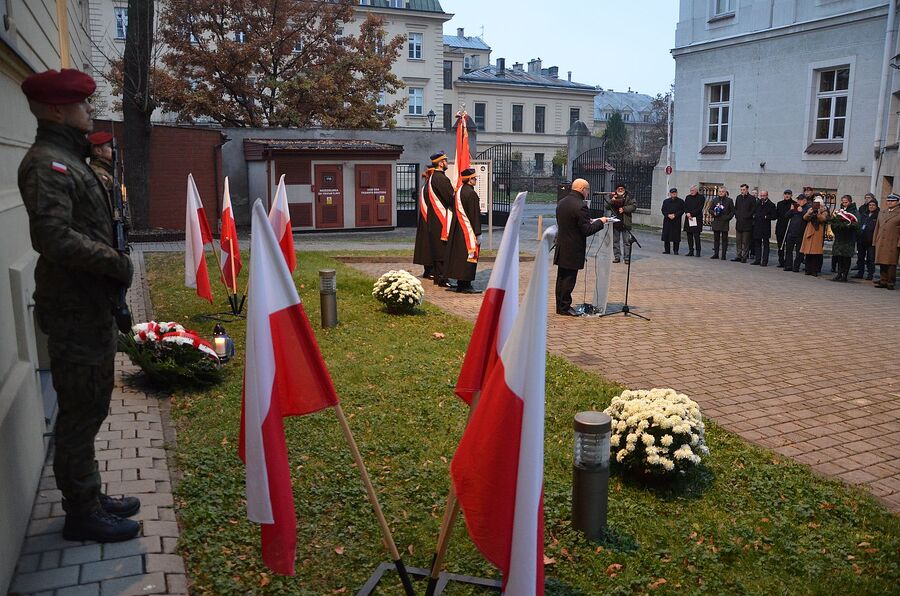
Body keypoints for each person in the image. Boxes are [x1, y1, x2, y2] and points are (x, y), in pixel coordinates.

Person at [17, 69, 140, 542]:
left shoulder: (70, 158)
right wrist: (115, 263)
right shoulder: (48, 164)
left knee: (91, 407)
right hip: (74, 311)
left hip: (88, 305)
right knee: (79, 413)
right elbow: (52, 237)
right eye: (82, 104)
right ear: (55, 110)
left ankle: (90, 494)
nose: (90, 110)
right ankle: (82, 513)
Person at [555, 178, 607, 316]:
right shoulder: (581, 205)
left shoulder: (562, 202)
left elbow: (570, 222)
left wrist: (586, 221)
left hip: (562, 245)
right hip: (573, 248)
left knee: (561, 278)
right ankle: (565, 307)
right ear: (582, 189)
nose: (588, 193)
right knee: (569, 279)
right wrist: (601, 222)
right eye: (587, 190)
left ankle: (560, 306)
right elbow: (587, 230)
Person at [444, 168, 482, 294]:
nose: (476, 180)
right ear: (470, 180)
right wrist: (478, 233)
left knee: (460, 257)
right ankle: (466, 284)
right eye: (474, 178)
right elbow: (474, 215)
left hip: (458, 229)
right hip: (468, 231)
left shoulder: (460, 190)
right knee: (469, 256)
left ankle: (461, 283)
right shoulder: (471, 194)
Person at [425, 151, 455, 288]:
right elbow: (450, 198)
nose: (447, 163)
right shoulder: (441, 179)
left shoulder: (434, 177)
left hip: (435, 219)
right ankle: (443, 278)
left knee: (438, 249)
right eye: (446, 161)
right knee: (443, 249)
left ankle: (439, 277)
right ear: (441, 163)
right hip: (441, 218)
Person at [873, 193, 900, 290]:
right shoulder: (882, 212)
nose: (890, 202)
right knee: (882, 261)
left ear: (897, 202)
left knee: (891, 263)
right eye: (888, 200)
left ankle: (890, 282)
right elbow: (877, 227)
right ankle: (883, 280)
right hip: (881, 240)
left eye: (892, 201)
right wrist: (875, 240)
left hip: (893, 241)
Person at [829, 195, 858, 282]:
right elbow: (833, 222)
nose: (844, 204)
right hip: (839, 238)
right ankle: (839, 274)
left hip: (848, 238)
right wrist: (836, 227)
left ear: (850, 202)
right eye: (843, 202)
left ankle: (844, 275)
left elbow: (856, 224)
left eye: (846, 202)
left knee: (846, 257)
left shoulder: (854, 212)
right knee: (839, 257)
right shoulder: (839, 212)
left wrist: (847, 226)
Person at [412, 165, 434, 279]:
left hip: (425, 220)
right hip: (428, 220)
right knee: (428, 246)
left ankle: (428, 270)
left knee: (426, 246)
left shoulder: (425, 185)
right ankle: (429, 270)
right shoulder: (428, 187)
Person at [606, 182, 636, 264]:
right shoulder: (612, 196)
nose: (620, 189)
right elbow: (607, 206)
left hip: (626, 221)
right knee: (615, 241)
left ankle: (627, 258)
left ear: (624, 189)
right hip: (615, 221)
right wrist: (612, 201)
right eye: (618, 188)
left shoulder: (629, 196)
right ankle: (617, 257)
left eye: (622, 188)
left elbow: (634, 206)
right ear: (616, 189)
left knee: (626, 241)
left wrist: (624, 209)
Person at [801, 196, 829, 276]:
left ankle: (814, 270)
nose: (817, 205)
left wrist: (818, 213)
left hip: (817, 232)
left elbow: (823, 219)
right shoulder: (811, 209)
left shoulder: (824, 210)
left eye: (818, 203)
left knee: (815, 253)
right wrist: (809, 213)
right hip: (809, 231)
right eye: (816, 203)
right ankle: (807, 269)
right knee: (808, 252)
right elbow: (805, 218)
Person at [854, 195, 879, 280]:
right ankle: (860, 273)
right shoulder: (864, 214)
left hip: (871, 240)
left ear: (876, 206)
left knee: (870, 258)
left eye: (873, 205)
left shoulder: (878, 216)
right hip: (862, 239)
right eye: (870, 205)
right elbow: (860, 224)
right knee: (860, 257)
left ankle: (870, 274)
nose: (871, 207)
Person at [783, 194, 809, 272]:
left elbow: (808, 218)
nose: (798, 201)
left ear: (805, 201)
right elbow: (786, 216)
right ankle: (788, 266)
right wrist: (791, 210)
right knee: (788, 250)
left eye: (800, 200)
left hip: (800, 233)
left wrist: (802, 211)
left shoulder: (808, 208)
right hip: (791, 232)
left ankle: (796, 266)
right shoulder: (795, 207)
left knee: (799, 252)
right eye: (798, 200)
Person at [707, 186, 734, 260]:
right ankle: (716, 254)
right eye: (720, 191)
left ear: (725, 192)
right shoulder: (715, 200)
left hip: (724, 222)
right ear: (718, 192)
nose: (721, 193)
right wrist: (714, 213)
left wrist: (727, 218)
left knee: (724, 240)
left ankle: (723, 255)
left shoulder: (729, 200)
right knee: (716, 239)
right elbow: (710, 209)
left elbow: (732, 212)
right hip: (716, 221)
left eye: (722, 191)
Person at [751, 190, 777, 266]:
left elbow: (774, 216)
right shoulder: (757, 203)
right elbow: (754, 212)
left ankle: (764, 261)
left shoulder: (771, 205)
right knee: (757, 244)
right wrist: (754, 216)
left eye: (764, 195)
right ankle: (757, 260)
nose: (762, 197)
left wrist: (766, 217)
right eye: (761, 195)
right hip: (757, 226)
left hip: (765, 227)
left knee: (766, 245)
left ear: (767, 195)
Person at [733, 183, 755, 262]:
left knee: (745, 241)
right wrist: (737, 216)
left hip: (747, 223)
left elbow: (753, 210)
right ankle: (738, 255)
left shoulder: (751, 198)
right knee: (738, 241)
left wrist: (747, 216)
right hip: (739, 222)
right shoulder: (738, 197)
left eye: (744, 190)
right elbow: (736, 208)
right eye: (741, 190)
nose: (742, 191)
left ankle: (744, 256)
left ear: (747, 190)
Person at [775, 190, 795, 268]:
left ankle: (788, 262)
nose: (787, 195)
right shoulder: (779, 204)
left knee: (789, 247)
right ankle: (781, 261)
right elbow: (777, 214)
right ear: (783, 195)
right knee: (780, 246)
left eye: (788, 194)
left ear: (791, 195)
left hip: (789, 228)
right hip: (780, 227)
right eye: (785, 194)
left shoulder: (794, 203)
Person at [660, 187, 684, 254]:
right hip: (667, 220)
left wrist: (675, 215)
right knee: (666, 236)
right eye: (672, 193)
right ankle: (667, 250)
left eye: (675, 193)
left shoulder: (681, 201)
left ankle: (676, 250)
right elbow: (663, 210)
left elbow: (682, 210)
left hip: (676, 221)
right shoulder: (666, 201)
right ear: (670, 194)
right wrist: (668, 215)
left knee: (676, 236)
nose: (674, 194)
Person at [682, 185, 704, 257]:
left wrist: (691, 214)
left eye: (693, 190)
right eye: (691, 190)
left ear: (696, 190)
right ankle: (691, 250)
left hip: (696, 218)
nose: (691, 192)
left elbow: (699, 208)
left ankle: (698, 251)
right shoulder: (688, 197)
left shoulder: (701, 197)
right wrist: (687, 213)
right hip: (689, 218)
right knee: (689, 235)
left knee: (696, 235)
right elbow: (685, 206)